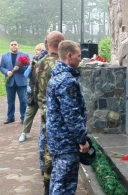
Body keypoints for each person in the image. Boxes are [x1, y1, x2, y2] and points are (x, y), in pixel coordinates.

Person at [46, 40, 89, 195]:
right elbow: (71, 115)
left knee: (59, 181)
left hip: (58, 139)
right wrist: (82, 139)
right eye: (78, 56)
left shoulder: (57, 76)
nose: (80, 59)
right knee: (64, 184)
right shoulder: (66, 81)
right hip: (66, 141)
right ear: (69, 56)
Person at [34, 31, 64, 194]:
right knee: (53, 148)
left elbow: (37, 88)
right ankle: (52, 182)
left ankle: (46, 181)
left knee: (45, 144)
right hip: (56, 112)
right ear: (60, 43)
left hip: (44, 108)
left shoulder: (40, 62)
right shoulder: (59, 64)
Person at [19, 42, 47, 142]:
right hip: (33, 93)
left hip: (44, 93)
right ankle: (24, 132)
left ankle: (46, 134)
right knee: (29, 113)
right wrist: (31, 66)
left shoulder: (46, 63)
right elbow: (26, 75)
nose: (38, 52)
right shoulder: (33, 62)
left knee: (46, 114)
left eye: (40, 50)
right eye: (37, 50)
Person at [0, 40, 30, 124]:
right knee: (10, 101)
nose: (14, 46)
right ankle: (10, 117)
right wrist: (6, 72)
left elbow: (28, 67)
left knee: (23, 100)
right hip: (10, 81)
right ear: (9, 46)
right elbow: (1, 67)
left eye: (15, 44)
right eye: (12, 45)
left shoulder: (24, 55)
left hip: (21, 81)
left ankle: (23, 117)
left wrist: (20, 69)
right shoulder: (5, 56)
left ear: (18, 46)